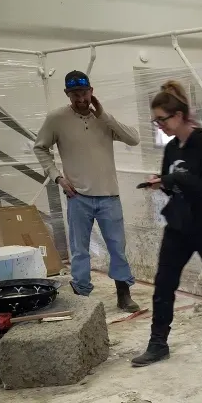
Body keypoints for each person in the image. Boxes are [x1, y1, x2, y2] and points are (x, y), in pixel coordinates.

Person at [132, 81, 202, 367]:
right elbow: (177, 185)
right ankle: (158, 344)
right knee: (163, 285)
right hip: (178, 227)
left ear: (178, 115)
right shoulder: (171, 149)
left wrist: (175, 179)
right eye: (156, 121)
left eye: (162, 120)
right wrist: (162, 183)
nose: (160, 126)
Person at [34, 70, 140, 312]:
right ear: (67, 94)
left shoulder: (103, 120)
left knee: (117, 248)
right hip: (77, 197)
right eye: (75, 95)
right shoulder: (56, 119)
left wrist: (104, 115)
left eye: (84, 94)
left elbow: (133, 139)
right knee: (79, 250)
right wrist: (58, 177)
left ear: (92, 92)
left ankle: (123, 293)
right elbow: (40, 148)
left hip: (109, 196)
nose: (81, 99)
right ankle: (81, 295)